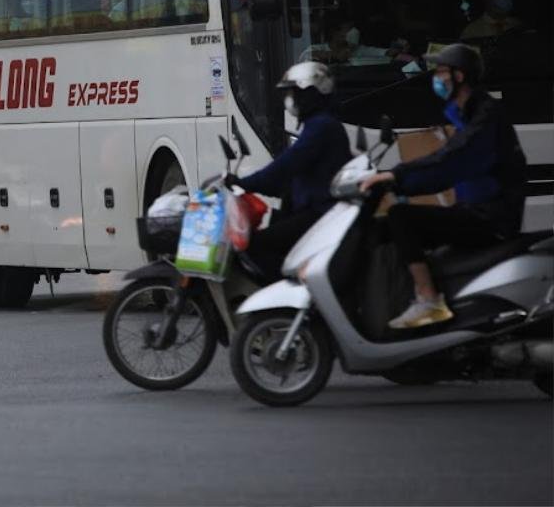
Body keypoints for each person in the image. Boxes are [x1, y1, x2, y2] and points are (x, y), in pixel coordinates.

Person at [361, 44, 527, 329]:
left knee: (402, 217)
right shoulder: (466, 114)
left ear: (459, 76)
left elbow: (450, 162)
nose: (435, 79)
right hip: (475, 210)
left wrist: (396, 178)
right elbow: (444, 165)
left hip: (491, 218)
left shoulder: (485, 117)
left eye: (440, 71)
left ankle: (429, 299)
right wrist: (399, 183)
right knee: (384, 227)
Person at [225, 62, 352, 278]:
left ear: (311, 92)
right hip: (315, 209)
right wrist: (261, 187)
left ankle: (287, 299)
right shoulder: (318, 124)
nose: (290, 99)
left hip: (320, 213)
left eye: (294, 92)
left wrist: (245, 183)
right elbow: (296, 175)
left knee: (254, 245)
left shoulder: (321, 126)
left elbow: (286, 165)